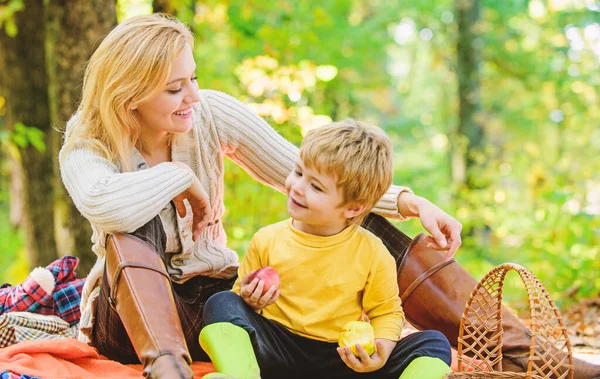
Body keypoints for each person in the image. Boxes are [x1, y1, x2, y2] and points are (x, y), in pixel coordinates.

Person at [58, 13, 599, 379]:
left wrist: (410, 202)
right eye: (176, 88)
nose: (193, 96)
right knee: (131, 227)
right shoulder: (88, 143)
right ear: (130, 95)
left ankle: (524, 354)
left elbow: (315, 174)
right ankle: (169, 373)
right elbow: (106, 206)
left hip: (215, 303)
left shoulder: (207, 114)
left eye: (193, 79)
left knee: (350, 220)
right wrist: (181, 180)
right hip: (133, 322)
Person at [201, 120, 452, 379]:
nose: (297, 187)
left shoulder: (372, 252)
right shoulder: (267, 239)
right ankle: (239, 375)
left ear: (353, 207)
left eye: (316, 187)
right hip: (276, 350)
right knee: (223, 303)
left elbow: (386, 311)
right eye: (298, 173)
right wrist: (251, 301)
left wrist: (380, 353)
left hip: (340, 361)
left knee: (433, 343)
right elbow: (242, 303)